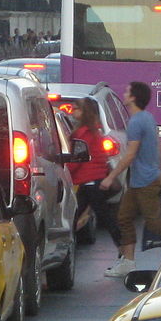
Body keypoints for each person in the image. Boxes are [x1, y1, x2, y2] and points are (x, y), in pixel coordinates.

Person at [100, 81, 161, 277]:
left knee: (153, 224)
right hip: (142, 180)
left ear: (133, 97)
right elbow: (159, 147)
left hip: (145, 181)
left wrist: (111, 177)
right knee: (124, 218)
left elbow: (130, 154)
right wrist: (159, 170)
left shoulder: (136, 122)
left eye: (127, 91)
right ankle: (127, 262)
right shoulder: (148, 118)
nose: (124, 93)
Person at [67, 98, 122, 250]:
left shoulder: (82, 134)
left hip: (89, 181)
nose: (72, 111)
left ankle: (123, 249)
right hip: (94, 180)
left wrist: (65, 174)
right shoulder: (94, 132)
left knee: (104, 216)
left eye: (76, 108)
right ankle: (122, 248)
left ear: (84, 112)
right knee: (83, 214)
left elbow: (77, 159)